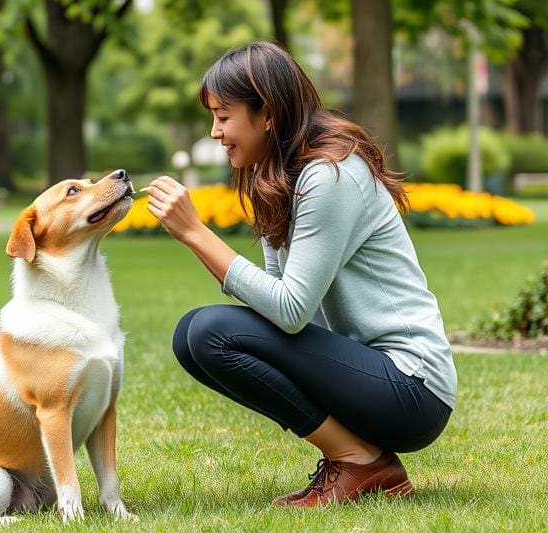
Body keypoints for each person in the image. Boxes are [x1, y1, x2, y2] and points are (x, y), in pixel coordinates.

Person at [146, 41, 455, 507]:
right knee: (192, 335)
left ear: (266, 114)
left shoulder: (329, 175)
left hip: (411, 387)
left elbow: (290, 312)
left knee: (210, 330)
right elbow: (281, 306)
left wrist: (195, 233)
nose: (215, 131)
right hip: (364, 373)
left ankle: (360, 462)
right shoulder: (279, 175)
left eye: (224, 116)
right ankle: (360, 459)